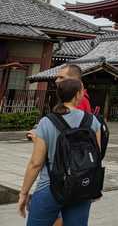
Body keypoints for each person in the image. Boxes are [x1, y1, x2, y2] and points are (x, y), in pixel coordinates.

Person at [18, 79, 101, 226]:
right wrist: (94, 187)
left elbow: (36, 163)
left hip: (50, 187)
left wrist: (24, 193)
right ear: (77, 95)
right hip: (81, 187)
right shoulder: (92, 121)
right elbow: (96, 157)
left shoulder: (47, 121)